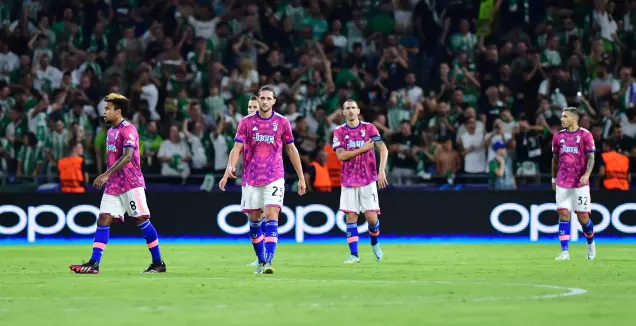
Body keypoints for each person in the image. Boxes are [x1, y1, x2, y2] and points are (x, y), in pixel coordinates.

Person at [70, 93, 166, 274]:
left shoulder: (128, 130)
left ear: (118, 111)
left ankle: (158, 262)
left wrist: (105, 175)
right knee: (104, 218)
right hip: (114, 184)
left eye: (108, 109)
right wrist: (109, 177)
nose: (104, 112)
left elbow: (128, 156)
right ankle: (94, 263)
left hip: (131, 181)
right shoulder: (110, 132)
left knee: (141, 219)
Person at [219, 86, 306, 274]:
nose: (265, 101)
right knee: (254, 221)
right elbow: (236, 148)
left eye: (268, 98)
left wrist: (301, 176)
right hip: (251, 177)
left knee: (272, 215)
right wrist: (230, 168)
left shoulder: (282, 122)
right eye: (262, 98)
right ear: (257, 100)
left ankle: (268, 261)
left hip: (274, 175)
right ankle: (260, 259)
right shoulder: (246, 122)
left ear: (274, 101)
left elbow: (291, 150)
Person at [333, 99, 389, 264]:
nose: (350, 111)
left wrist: (381, 170)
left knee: (371, 218)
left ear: (358, 111)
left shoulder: (369, 128)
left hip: (368, 178)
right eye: (347, 108)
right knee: (351, 217)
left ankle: (374, 242)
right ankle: (354, 255)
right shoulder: (339, 131)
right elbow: (341, 156)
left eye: (353, 108)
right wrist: (363, 149)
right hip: (349, 179)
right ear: (343, 112)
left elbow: (383, 148)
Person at [551, 107, 596, 261]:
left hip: (579, 184)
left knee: (583, 218)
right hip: (562, 181)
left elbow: (591, 157)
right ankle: (564, 252)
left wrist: (587, 174)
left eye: (565, 116)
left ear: (574, 118)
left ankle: (590, 243)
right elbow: (555, 159)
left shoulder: (585, 135)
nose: (562, 119)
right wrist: (553, 178)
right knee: (563, 214)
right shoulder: (557, 136)